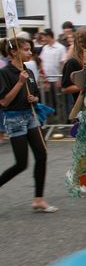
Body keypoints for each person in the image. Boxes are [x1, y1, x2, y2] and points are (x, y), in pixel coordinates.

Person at [0, 38, 56, 212]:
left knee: (42, 155)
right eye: (26, 50)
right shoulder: (5, 73)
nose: (30, 53)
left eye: (30, 49)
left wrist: (35, 98)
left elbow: (36, 95)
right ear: (13, 52)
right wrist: (19, 83)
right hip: (14, 118)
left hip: (30, 116)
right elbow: (4, 101)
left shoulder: (29, 71)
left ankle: (38, 199)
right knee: (21, 163)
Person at [39, 29, 66, 107]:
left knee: (57, 100)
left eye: (43, 37)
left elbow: (62, 63)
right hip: (46, 79)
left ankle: (58, 117)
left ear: (49, 36)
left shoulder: (61, 48)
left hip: (56, 78)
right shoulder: (45, 48)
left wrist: (60, 79)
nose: (42, 39)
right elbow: (41, 61)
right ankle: (51, 116)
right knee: (48, 100)